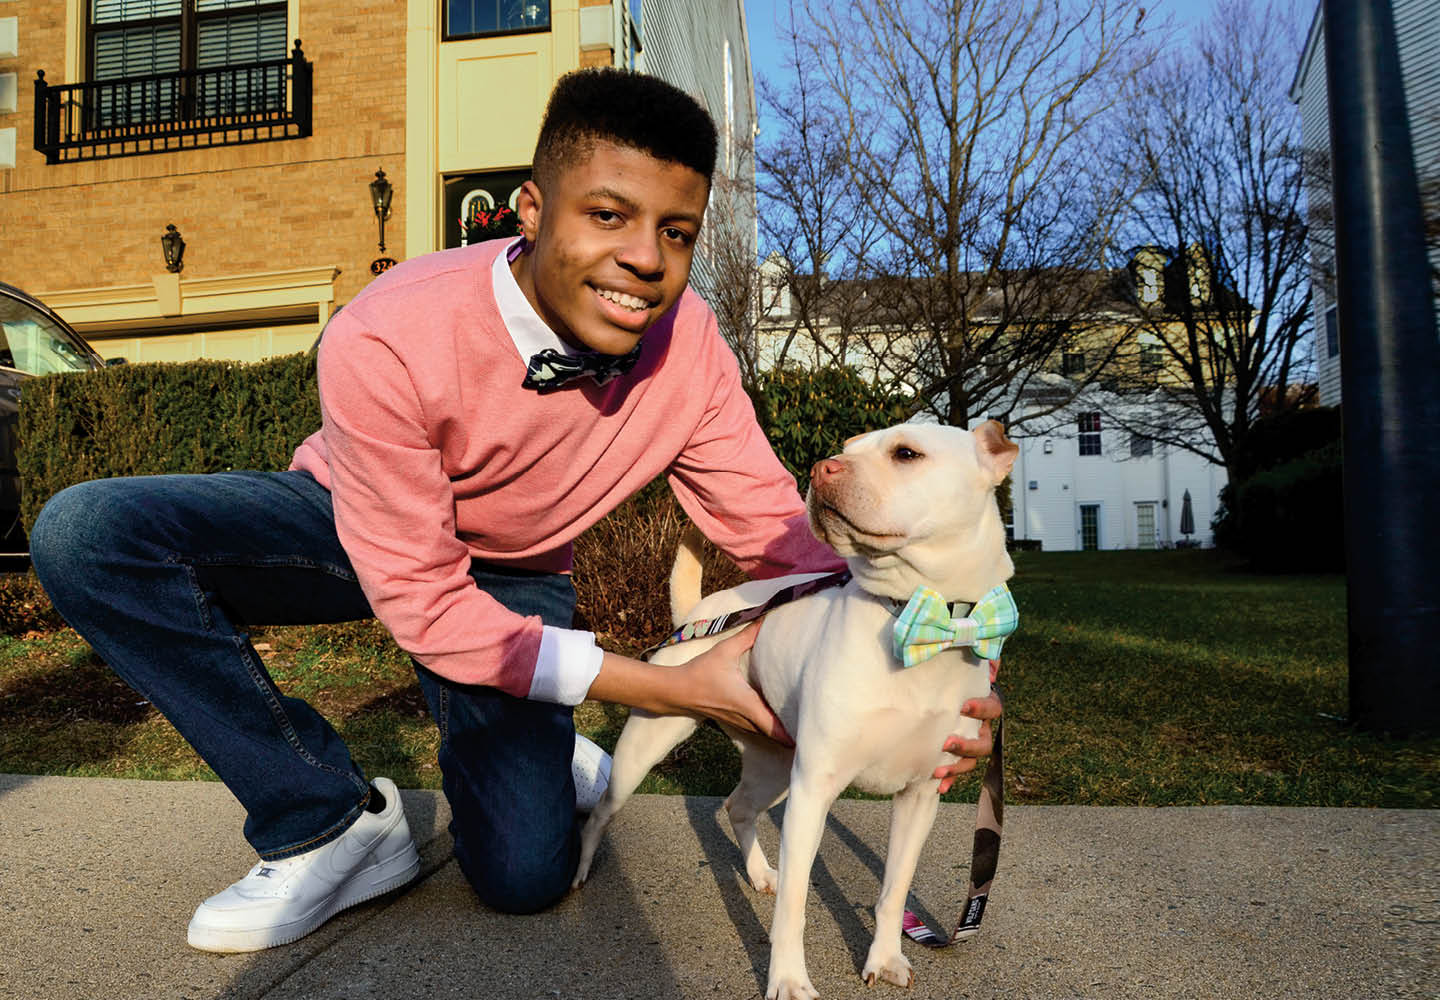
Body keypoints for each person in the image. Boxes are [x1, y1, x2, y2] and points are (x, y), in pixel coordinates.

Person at [29, 68, 1000, 953]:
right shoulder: (389, 328)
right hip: (353, 522)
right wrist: (670, 687)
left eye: (676, 231)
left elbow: (772, 533)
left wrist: (946, 650)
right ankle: (323, 821)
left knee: (525, 876)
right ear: (530, 210)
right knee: (90, 534)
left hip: (519, 566)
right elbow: (424, 601)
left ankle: (545, 751)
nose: (646, 260)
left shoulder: (689, 346)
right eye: (609, 215)